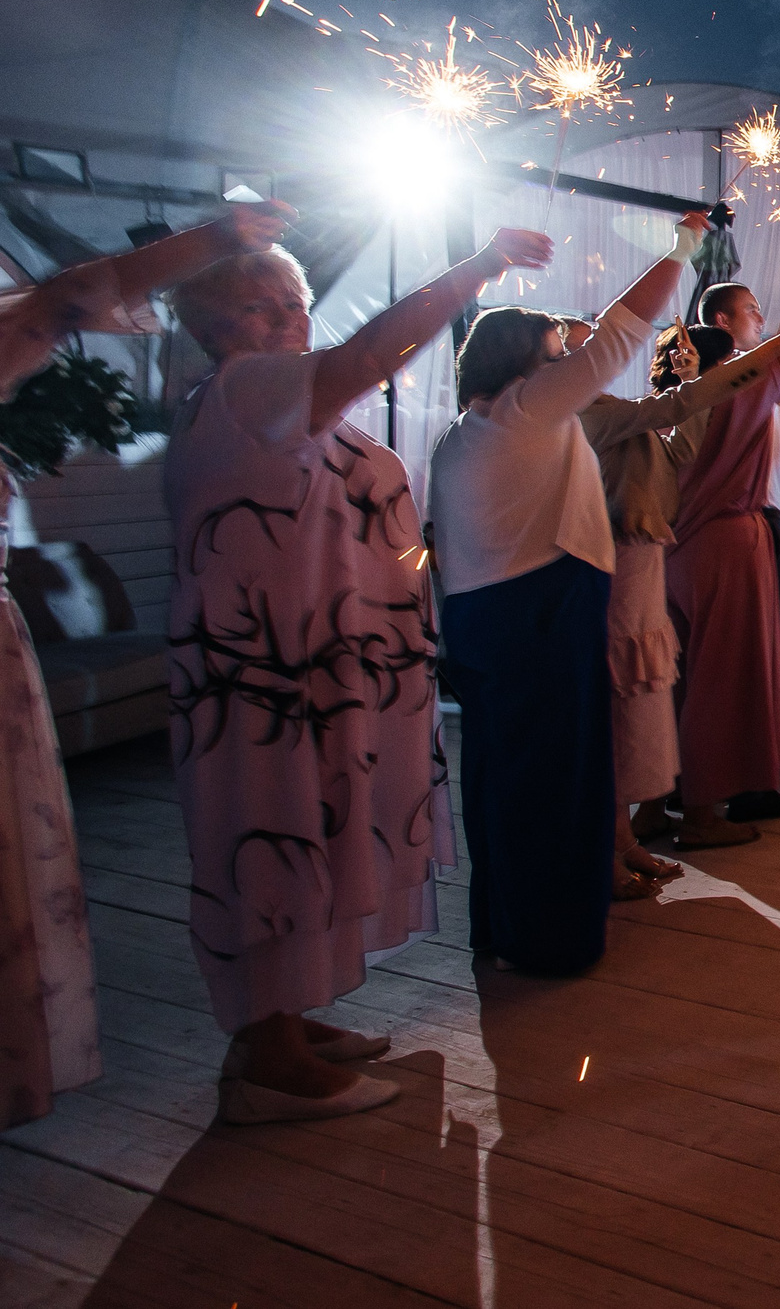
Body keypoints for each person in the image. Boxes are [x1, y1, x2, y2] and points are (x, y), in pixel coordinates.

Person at [165, 213, 541, 1122]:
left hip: (333, 666)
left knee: (319, 825)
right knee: (272, 827)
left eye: (294, 302)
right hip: (266, 677)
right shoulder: (244, 391)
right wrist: (479, 266)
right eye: (258, 308)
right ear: (212, 330)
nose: (287, 320)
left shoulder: (289, 396)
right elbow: (367, 356)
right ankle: (266, 1051)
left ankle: (285, 1018)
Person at [1, 201, 292, 1128]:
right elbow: (60, 307)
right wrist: (217, 241)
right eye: (264, 306)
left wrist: (221, 239)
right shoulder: (237, 399)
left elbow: (58, 308)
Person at [429, 214, 707, 978]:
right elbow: (624, 331)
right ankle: (554, 936)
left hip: (481, 621)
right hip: (540, 616)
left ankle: (503, 923)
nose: (573, 360)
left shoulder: (462, 432)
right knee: (557, 779)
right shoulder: (528, 410)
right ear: (526, 365)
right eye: (556, 355)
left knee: (499, 779)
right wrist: (681, 248)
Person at [579, 262, 780, 886]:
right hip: (728, 542)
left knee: (682, 679)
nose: (763, 329)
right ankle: (705, 812)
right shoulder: (736, 390)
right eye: (752, 317)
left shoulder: (669, 404)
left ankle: (659, 803)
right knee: (724, 678)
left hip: (679, 548)